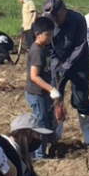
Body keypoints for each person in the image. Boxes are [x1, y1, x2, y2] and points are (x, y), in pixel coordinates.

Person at [42, 0, 89, 146]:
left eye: (56, 17)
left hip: (79, 64)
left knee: (80, 99)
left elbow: (80, 45)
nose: (54, 21)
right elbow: (48, 46)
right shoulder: (49, 22)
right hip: (58, 63)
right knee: (56, 96)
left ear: (63, 11)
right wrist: (54, 66)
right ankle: (58, 129)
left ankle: (86, 131)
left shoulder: (78, 19)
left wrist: (66, 65)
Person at [25, 16, 59, 160]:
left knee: (48, 121)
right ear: (38, 34)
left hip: (43, 92)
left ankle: (46, 149)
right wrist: (51, 89)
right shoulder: (37, 51)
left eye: (52, 34)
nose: (50, 37)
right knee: (41, 123)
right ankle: (39, 155)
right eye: (48, 34)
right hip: (36, 93)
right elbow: (34, 76)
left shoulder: (44, 48)